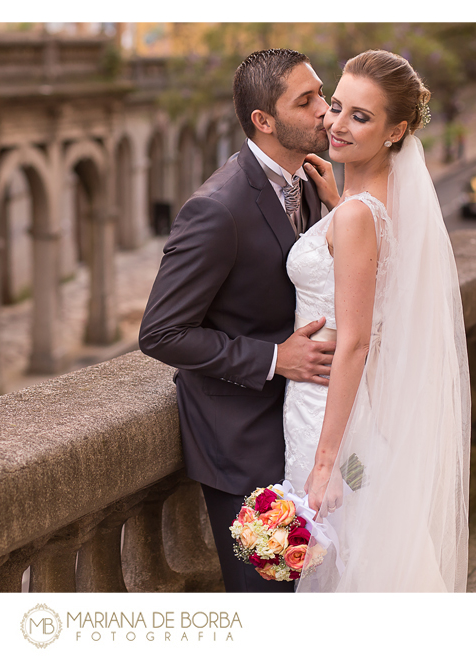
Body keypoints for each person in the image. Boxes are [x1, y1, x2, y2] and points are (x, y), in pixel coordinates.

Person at [138, 49, 340, 593]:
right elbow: (160, 331)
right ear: (264, 121)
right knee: (267, 599)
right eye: (307, 101)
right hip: (242, 445)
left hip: (300, 428)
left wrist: (338, 211)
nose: (326, 109)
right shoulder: (216, 208)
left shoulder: (310, 184)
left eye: (321, 93)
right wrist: (276, 357)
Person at [284, 50, 471, 592]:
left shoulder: (359, 214)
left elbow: (357, 342)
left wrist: (325, 463)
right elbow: (375, 277)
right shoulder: (369, 203)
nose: (336, 125)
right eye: (336, 106)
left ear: (397, 130)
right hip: (347, 406)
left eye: (360, 117)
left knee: (345, 568)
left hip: (330, 412)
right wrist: (337, 205)